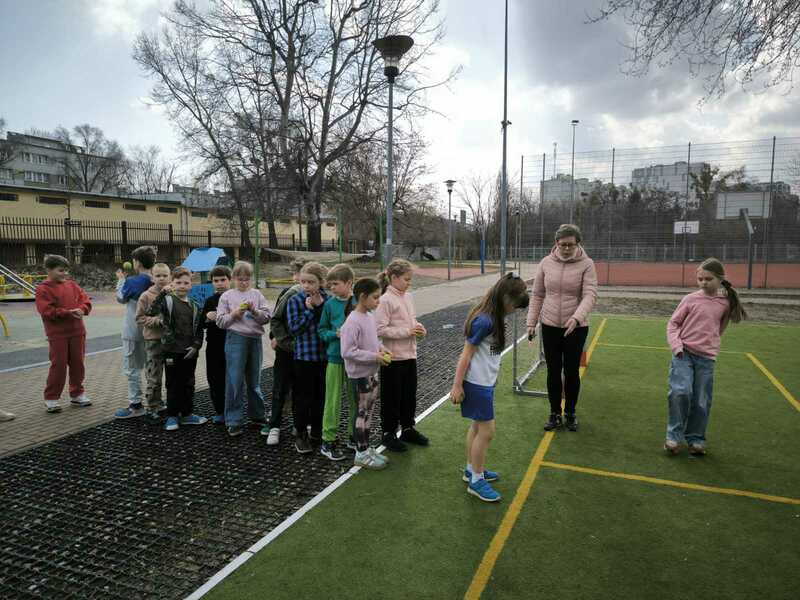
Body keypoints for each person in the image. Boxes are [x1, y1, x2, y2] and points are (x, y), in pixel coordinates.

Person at [450, 274, 530, 502]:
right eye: (514, 305)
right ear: (505, 298)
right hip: (476, 384)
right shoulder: (484, 321)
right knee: (487, 432)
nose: (514, 310)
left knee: (477, 427)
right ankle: (476, 481)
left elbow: (488, 355)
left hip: (484, 382)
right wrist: (457, 385)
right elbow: (466, 355)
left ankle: (471, 470)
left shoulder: (495, 317)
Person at [665, 258, 747, 456]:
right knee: (680, 392)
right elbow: (673, 324)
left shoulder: (725, 303)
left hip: (706, 359)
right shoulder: (690, 299)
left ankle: (696, 438)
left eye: (708, 279)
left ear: (720, 279)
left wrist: (710, 347)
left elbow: (720, 329)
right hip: (683, 354)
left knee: (701, 400)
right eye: (700, 279)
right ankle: (673, 436)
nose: (703, 282)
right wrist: (677, 347)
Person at [526, 224, 597, 432]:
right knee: (553, 371)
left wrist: (576, 318)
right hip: (550, 326)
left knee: (571, 372)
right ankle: (555, 413)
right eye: (563, 244)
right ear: (556, 243)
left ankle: (570, 413)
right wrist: (531, 322)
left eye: (570, 245)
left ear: (578, 244)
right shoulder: (546, 263)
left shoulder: (587, 264)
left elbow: (590, 294)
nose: (566, 248)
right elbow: (537, 294)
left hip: (576, 327)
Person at [375, 258, 428, 452]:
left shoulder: (408, 297)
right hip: (393, 358)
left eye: (410, 279)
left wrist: (419, 329)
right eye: (406, 279)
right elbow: (379, 329)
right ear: (393, 278)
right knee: (391, 398)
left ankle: (407, 428)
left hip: (410, 356)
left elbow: (411, 321)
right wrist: (407, 331)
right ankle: (388, 433)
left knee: (408, 395)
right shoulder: (385, 300)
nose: (409, 283)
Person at [340, 277, 392, 470]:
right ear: (362, 297)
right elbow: (347, 351)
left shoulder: (369, 316)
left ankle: (365, 447)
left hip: (371, 372)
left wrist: (382, 349)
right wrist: (374, 356)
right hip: (359, 376)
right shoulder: (352, 321)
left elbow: (373, 340)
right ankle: (360, 453)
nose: (378, 301)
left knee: (368, 412)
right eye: (375, 297)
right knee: (361, 414)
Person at [215, 261, 271, 437]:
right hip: (235, 339)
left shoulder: (257, 294)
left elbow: (266, 317)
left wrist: (254, 311)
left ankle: (257, 415)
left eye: (247, 279)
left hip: (255, 340)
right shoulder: (227, 296)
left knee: (254, 380)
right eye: (240, 279)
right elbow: (220, 322)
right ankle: (234, 420)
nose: (244, 282)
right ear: (233, 279)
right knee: (234, 380)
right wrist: (234, 314)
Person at [148, 267, 207, 431]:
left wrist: (196, 346)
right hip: (171, 351)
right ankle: (172, 416)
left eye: (186, 283)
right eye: (178, 282)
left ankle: (187, 414)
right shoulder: (167, 301)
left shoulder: (195, 306)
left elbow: (199, 329)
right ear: (172, 283)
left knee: (188, 383)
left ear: (191, 285)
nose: (182, 286)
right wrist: (162, 294)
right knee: (173, 383)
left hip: (189, 352)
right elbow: (151, 311)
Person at [34, 254, 92, 413]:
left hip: (77, 332)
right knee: (58, 365)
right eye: (60, 270)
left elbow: (85, 300)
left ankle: (77, 394)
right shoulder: (43, 289)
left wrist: (82, 309)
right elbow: (46, 311)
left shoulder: (72, 285)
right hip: (57, 334)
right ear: (49, 270)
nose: (65, 274)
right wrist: (67, 313)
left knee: (78, 364)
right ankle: (51, 398)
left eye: (66, 270)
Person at [286, 261, 329, 454]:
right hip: (304, 357)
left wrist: (320, 307)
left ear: (321, 282)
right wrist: (309, 311)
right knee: (303, 398)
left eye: (311, 282)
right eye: (303, 282)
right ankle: (301, 433)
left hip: (324, 357)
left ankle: (317, 431)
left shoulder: (328, 300)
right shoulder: (295, 300)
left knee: (321, 396)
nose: (306, 286)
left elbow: (330, 325)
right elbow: (294, 329)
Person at [263, 258, 306, 445]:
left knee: (301, 388)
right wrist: (276, 337)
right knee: (280, 387)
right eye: (297, 274)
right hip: (285, 348)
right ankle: (274, 424)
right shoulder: (288, 293)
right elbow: (276, 318)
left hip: (305, 350)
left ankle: (299, 423)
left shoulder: (316, 297)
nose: (299, 278)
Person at [317, 263, 358, 461]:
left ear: (349, 283)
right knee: (332, 400)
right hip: (335, 358)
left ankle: (353, 436)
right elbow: (321, 331)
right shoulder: (329, 305)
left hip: (355, 359)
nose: (332, 288)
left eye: (336, 284)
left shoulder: (359, 302)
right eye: (330, 284)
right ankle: (328, 440)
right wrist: (335, 334)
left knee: (355, 399)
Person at [114, 246, 156, 419]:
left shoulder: (132, 281)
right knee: (153, 367)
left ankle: (136, 404)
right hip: (154, 331)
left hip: (133, 331)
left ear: (137, 262)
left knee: (132, 368)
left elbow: (120, 298)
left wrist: (121, 280)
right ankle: (156, 402)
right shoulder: (158, 280)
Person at [135, 262, 172, 421]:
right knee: (154, 375)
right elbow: (139, 318)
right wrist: (157, 321)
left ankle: (166, 403)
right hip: (153, 341)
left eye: (165, 275)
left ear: (170, 277)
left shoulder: (173, 293)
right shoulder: (146, 296)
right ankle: (152, 406)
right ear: (152, 277)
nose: (162, 278)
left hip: (170, 342)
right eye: (158, 276)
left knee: (172, 375)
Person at [200, 265, 232, 425]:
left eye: (223, 280)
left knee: (232, 378)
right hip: (214, 346)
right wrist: (207, 317)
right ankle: (220, 410)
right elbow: (201, 324)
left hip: (233, 345)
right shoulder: (210, 301)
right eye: (216, 280)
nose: (219, 283)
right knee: (214, 378)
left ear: (230, 280)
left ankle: (232, 409)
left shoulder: (235, 299)